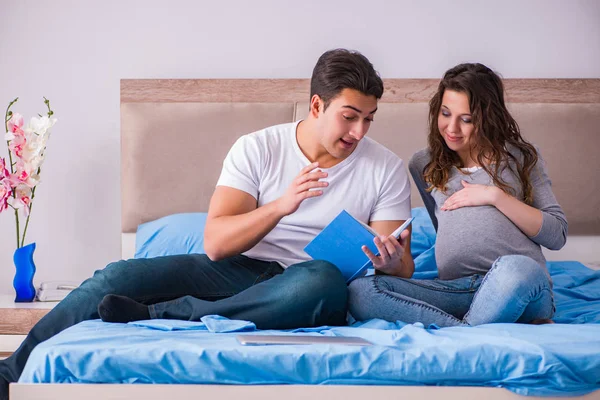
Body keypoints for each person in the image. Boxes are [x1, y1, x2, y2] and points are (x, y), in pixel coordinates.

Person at [0, 48, 413, 398]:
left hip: (306, 286)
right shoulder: (258, 149)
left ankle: (161, 312)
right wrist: (280, 206)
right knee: (113, 278)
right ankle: (9, 375)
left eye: (369, 118)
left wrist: (392, 263)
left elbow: (403, 265)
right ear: (317, 105)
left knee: (321, 278)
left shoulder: (386, 168)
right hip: (237, 270)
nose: (359, 132)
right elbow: (215, 243)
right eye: (350, 116)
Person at [348, 63, 567, 328]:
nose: (452, 128)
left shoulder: (520, 157)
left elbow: (557, 235)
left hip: (519, 284)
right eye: (445, 113)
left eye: (467, 119)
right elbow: (445, 226)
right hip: (459, 291)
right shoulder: (424, 164)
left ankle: (466, 329)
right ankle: (468, 329)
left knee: (516, 268)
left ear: (488, 118)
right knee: (361, 291)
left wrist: (495, 196)